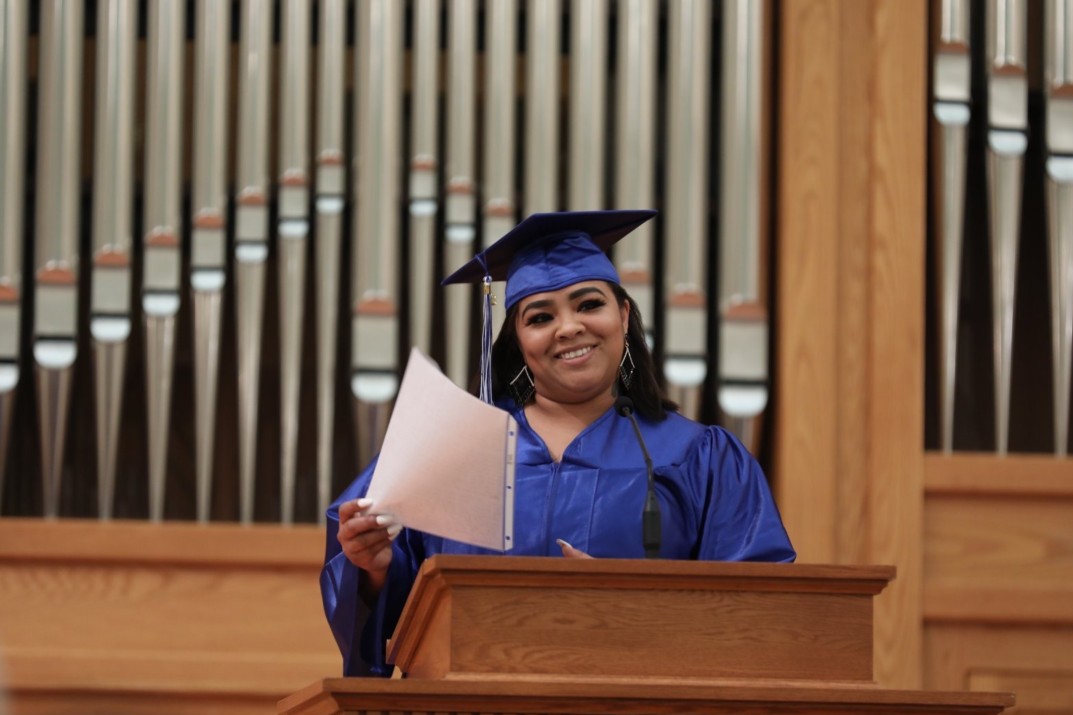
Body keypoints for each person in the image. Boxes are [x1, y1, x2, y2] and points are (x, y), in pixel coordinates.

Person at [321, 209, 795, 676]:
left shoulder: (700, 458)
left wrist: (634, 607)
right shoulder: (448, 451)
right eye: (540, 317)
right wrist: (373, 570)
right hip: (469, 714)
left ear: (623, 315)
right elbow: (387, 626)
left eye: (589, 305)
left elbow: (755, 613)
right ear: (519, 340)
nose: (568, 327)